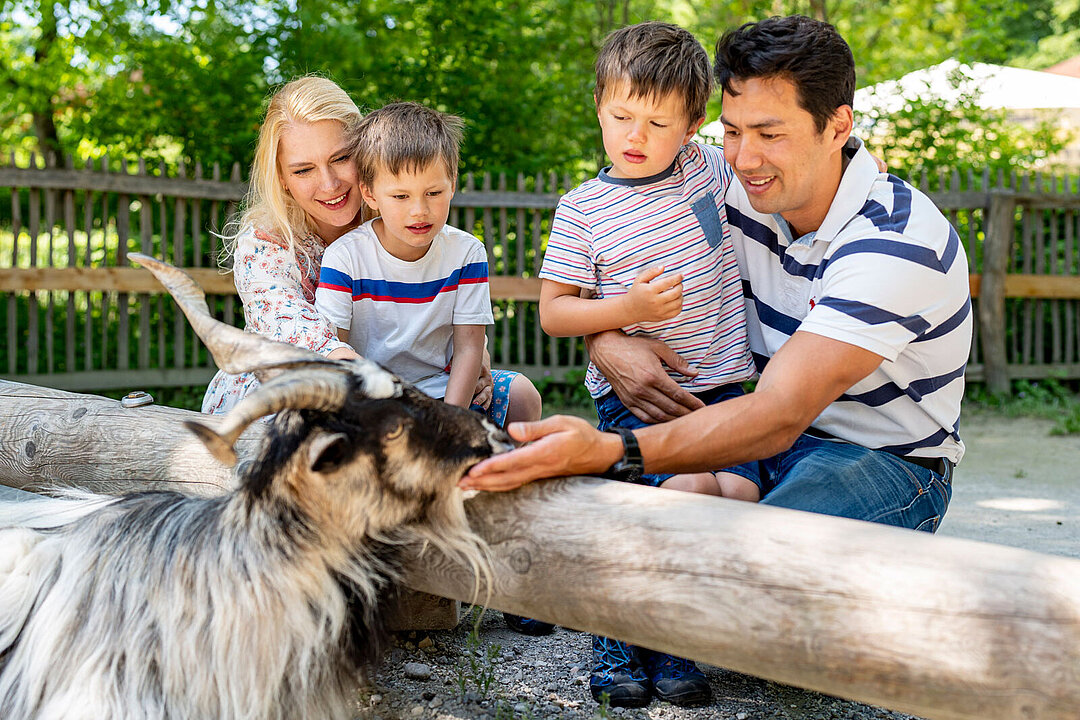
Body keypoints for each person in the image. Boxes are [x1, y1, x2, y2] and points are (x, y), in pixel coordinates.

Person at [465, 7, 970, 680]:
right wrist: (610, 339)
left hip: (874, 459)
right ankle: (648, 641)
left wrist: (613, 452)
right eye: (732, 132)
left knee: (742, 570)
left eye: (769, 133)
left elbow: (777, 415)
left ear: (838, 125)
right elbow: (616, 246)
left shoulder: (896, 242)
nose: (744, 156)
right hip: (751, 430)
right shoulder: (722, 182)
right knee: (698, 534)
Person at [536, 22, 756, 709]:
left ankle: (671, 638)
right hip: (635, 400)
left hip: (721, 390)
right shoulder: (583, 210)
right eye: (620, 115)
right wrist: (623, 309)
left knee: (728, 500)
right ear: (599, 104)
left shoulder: (707, 171)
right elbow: (555, 311)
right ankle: (616, 650)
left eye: (657, 122)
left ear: (693, 126)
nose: (634, 135)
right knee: (653, 503)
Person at [312, 102, 546, 634]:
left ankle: (521, 576)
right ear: (370, 195)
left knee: (526, 396)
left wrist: (450, 421)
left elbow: (469, 347)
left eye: (434, 193)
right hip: (378, 401)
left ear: (452, 184)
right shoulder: (348, 258)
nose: (420, 210)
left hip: (445, 392)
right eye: (400, 196)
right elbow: (336, 349)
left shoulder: (465, 252)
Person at [201, 77, 494, 418]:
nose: (329, 183)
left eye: (340, 158)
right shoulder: (265, 241)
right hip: (295, 384)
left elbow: (440, 309)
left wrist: (474, 355)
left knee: (514, 396)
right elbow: (298, 335)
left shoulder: (399, 215)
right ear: (281, 176)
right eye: (303, 170)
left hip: (402, 379)